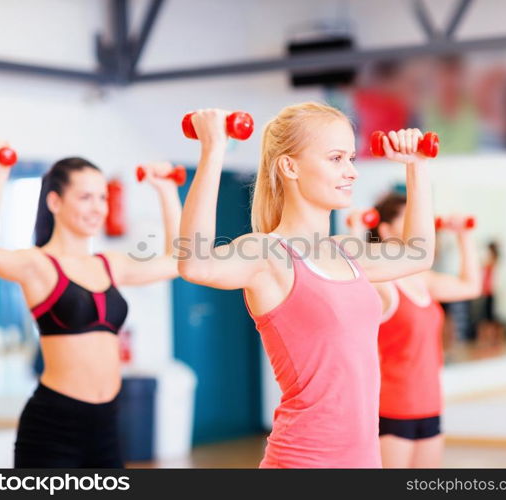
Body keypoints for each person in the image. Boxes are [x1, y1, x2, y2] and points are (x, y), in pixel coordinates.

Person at [178, 103, 435, 468]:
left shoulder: (345, 252)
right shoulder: (268, 253)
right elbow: (195, 262)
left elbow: (419, 255)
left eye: (350, 159)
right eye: (335, 158)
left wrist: (417, 166)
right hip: (303, 461)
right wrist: (213, 150)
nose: (351, 172)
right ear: (289, 166)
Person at [0, 141, 181, 467]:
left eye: (103, 197)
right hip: (53, 427)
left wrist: (167, 191)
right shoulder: (38, 265)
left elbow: (178, 262)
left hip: (108, 424)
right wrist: (0, 174)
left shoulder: (110, 263)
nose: (98, 208)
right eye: (85, 197)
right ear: (54, 201)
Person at [349, 192, 480, 468]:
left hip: (430, 404)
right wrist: (356, 229)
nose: (418, 224)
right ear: (385, 230)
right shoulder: (383, 285)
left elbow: (471, 286)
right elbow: (354, 272)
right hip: (394, 407)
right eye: (408, 219)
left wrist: (464, 236)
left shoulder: (425, 280)